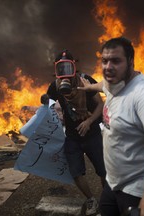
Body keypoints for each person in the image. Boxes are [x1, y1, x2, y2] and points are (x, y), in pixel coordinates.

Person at [78, 37, 144, 216]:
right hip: (116, 182)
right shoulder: (114, 82)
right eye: (104, 61)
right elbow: (105, 85)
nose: (108, 67)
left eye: (116, 61)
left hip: (141, 187)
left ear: (131, 62)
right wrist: (91, 88)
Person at [47, 50, 106, 215]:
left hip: (92, 133)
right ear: (56, 70)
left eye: (68, 67)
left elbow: (100, 105)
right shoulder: (55, 87)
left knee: (103, 170)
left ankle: (108, 199)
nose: (64, 73)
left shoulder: (85, 81)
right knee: (76, 172)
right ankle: (91, 200)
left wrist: (88, 121)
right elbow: (49, 106)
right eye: (61, 69)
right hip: (72, 136)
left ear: (74, 66)